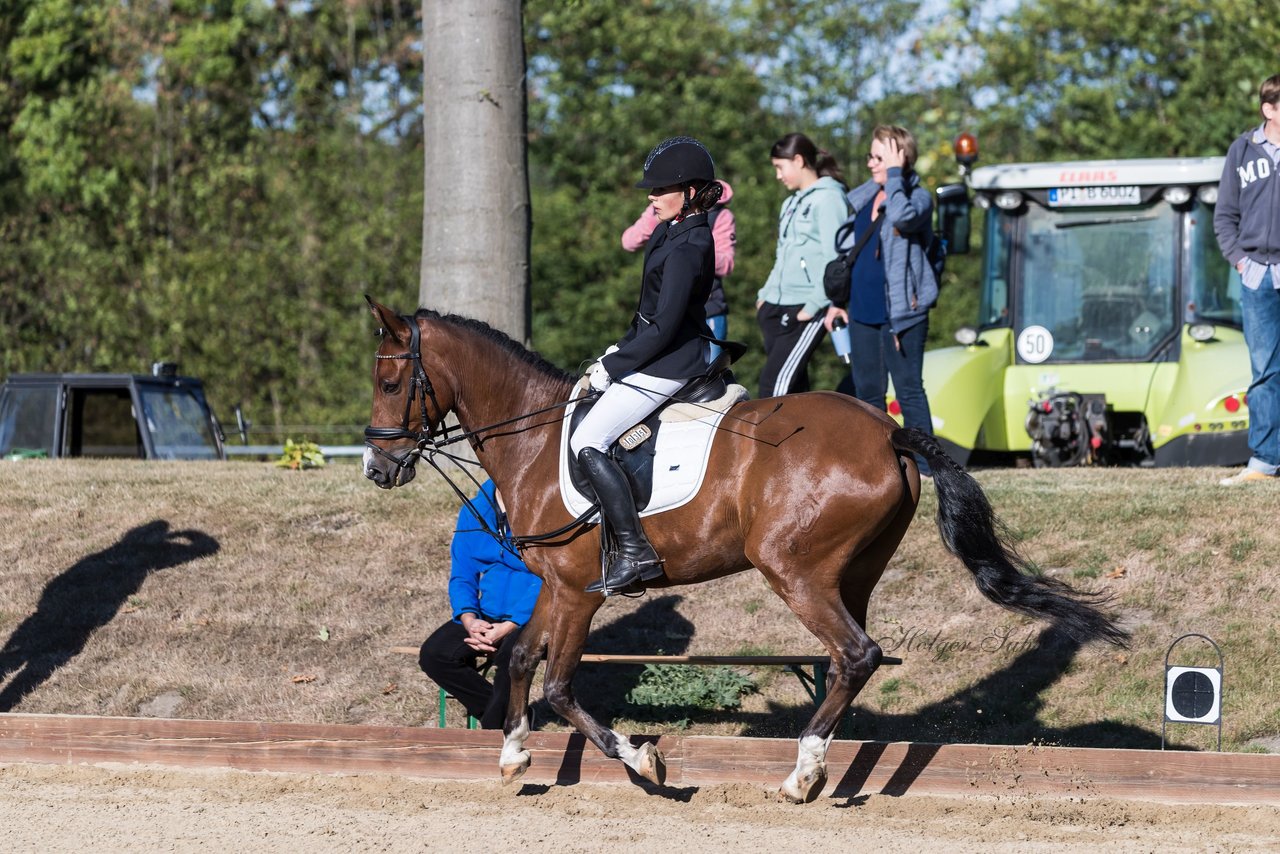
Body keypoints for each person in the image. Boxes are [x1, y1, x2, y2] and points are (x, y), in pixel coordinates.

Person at [571, 136, 720, 594]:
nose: (651, 197)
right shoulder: (667, 231)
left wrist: (614, 367)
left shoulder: (691, 245)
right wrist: (614, 350)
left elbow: (665, 328)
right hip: (652, 352)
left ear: (691, 191)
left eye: (660, 190)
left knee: (587, 439)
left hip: (672, 361)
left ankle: (635, 551)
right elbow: (646, 316)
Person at [824, 124, 939, 475]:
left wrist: (894, 175)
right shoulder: (862, 199)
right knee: (868, 394)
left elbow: (904, 217)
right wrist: (838, 302)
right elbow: (850, 253)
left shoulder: (916, 198)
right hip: (862, 312)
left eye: (880, 156)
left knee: (908, 392)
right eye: (871, 156)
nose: (872, 163)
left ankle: (928, 469)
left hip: (902, 314)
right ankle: (879, 468)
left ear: (900, 158)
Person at [418, 480, 542, 729]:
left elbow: (548, 577)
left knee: (511, 655)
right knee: (435, 654)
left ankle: (494, 731)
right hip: (489, 613)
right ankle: (511, 715)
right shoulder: (474, 511)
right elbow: (462, 573)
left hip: (538, 615)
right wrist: (470, 619)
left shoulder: (543, 508)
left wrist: (510, 625)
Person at [1214, 73, 1280, 486]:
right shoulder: (1242, 151)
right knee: (1266, 371)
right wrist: (1242, 263)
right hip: (1257, 276)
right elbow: (1225, 216)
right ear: (1269, 109)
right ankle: (1266, 462)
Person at [756, 132, 848, 398]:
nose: (778, 175)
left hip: (806, 308)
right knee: (794, 392)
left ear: (798, 160)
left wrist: (813, 306)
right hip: (775, 307)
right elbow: (782, 254)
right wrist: (765, 297)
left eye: (779, 167)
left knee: (774, 391)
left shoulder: (829, 199)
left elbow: (837, 260)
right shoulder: (790, 203)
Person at [622, 179, 737, 361]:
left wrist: (696, 249)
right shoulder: (661, 207)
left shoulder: (721, 215)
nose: (653, 195)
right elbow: (628, 241)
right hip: (664, 312)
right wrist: (660, 222)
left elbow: (727, 263)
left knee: (709, 373)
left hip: (708, 310)